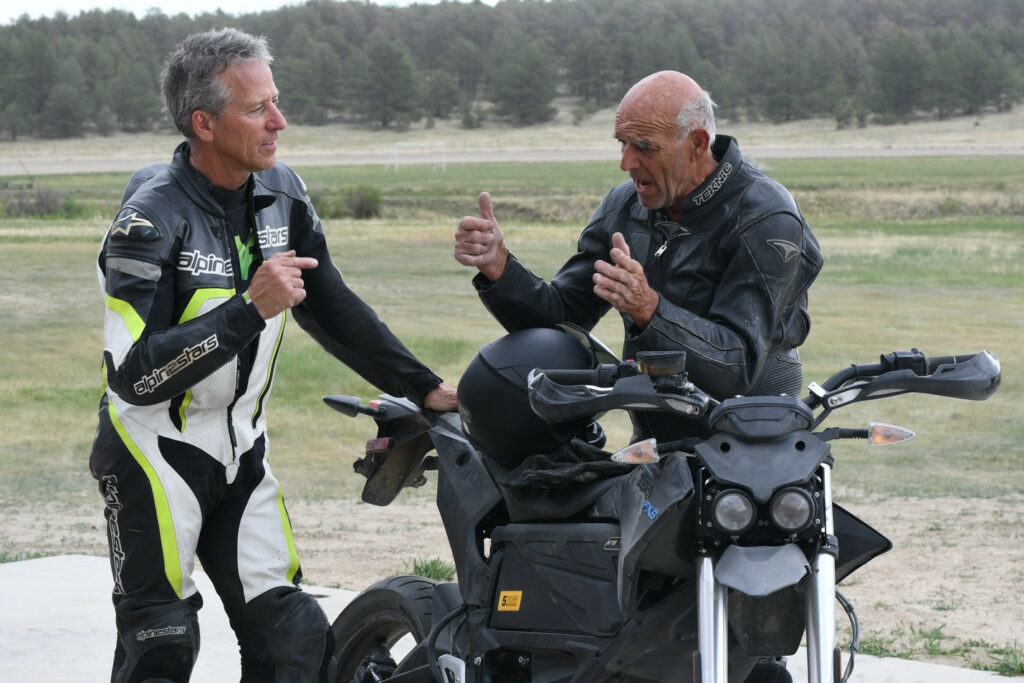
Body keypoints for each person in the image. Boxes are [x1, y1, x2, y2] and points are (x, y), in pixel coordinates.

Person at [90, 28, 457, 682]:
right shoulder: (148, 220)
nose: (279, 122)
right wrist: (248, 309)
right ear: (204, 123)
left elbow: (332, 306)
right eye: (258, 108)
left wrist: (426, 387)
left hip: (240, 451)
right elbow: (134, 374)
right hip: (152, 452)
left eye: (276, 102)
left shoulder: (281, 192)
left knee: (295, 640)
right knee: (163, 643)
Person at [454, 70, 822, 448]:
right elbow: (561, 319)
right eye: (622, 142)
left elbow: (738, 366)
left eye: (644, 146)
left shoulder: (764, 216)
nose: (626, 162)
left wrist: (650, 310)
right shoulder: (626, 205)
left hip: (751, 442)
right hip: (654, 439)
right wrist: (500, 269)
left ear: (697, 143)